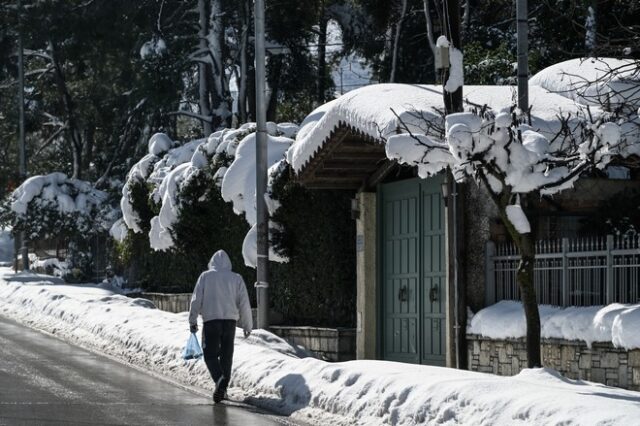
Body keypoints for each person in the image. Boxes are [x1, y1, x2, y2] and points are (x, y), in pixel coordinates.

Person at [188, 249, 253, 403]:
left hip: (211, 321)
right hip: (230, 322)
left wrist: (192, 320)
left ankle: (219, 379)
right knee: (226, 355)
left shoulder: (205, 276)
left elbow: (196, 299)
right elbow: (244, 302)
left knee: (210, 355)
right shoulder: (236, 278)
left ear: (212, 262)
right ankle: (223, 388)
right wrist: (247, 325)